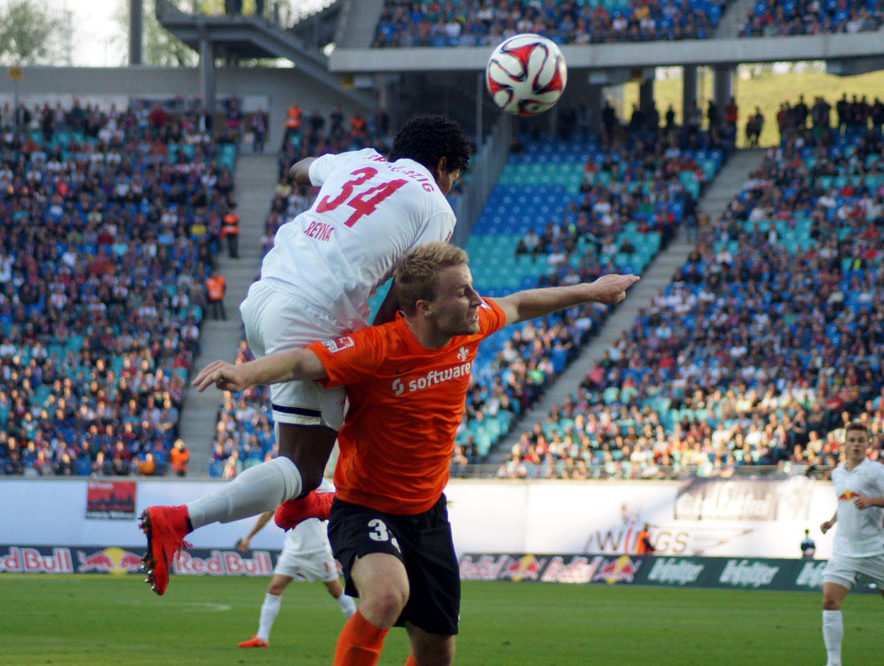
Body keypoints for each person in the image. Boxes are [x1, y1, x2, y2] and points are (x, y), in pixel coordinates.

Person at [193, 242, 638, 665]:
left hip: (428, 514)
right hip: (365, 508)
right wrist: (245, 372)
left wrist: (592, 291)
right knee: (387, 596)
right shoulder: (378, 347)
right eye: (462, 291)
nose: (476, 299)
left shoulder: (473, 324)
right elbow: (300, 362)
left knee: (437, 653)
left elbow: (522, 303)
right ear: (424, 308)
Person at [139, 115, 473, 597]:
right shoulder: (437, 206)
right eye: (455, 176)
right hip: (315, 313)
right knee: (306, 463)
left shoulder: (360, 163)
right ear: (443, 167)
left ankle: (298, 505)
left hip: (264, 295)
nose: (451, 186)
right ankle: (180, 521)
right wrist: (370, 353)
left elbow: (299, 169)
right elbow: (406, 290)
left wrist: (319, 175)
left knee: (321, 436)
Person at [236, 483, 357, 649]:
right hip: (292, 550)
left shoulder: (325, 487)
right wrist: (249, 536)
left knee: (336, 591)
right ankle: (262, 637)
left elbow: (340, 513)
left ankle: (359, 633)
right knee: (274, 589)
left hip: (317, 550)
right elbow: (269, 513)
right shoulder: (290, 484)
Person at [818, 421, 884, 666]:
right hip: (844, 550)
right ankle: (833, 662)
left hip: (875, 549)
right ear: (844, 444)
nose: (856, 444)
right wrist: (832, 521)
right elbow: (844, 500)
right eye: (852, 440)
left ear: (868, 444)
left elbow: (869, 500)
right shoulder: (838, 472)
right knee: (829, 601)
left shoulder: (876, 470)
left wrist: (873, 501)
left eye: (861, 440)